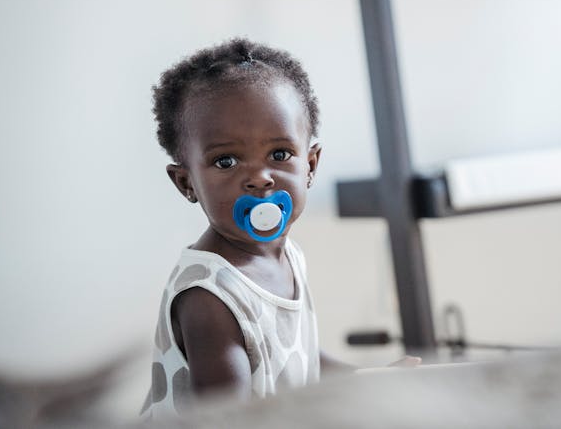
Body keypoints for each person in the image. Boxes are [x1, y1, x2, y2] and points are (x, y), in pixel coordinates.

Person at [141, 39, 416, 419]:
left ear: (311, 165)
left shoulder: (288, 257)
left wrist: (368, 381)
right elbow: (231, 420)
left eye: (280, 154)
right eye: (226, 161)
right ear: (187, 183)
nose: (259, 178)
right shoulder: (209, 298)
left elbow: (296, 357)